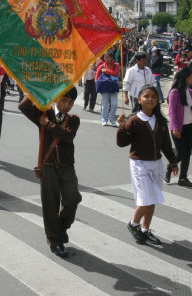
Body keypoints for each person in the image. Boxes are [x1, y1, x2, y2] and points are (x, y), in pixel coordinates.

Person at [19, 87, 82, 258]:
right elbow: (23, 106)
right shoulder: (44, 113)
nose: (66, 105)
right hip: (48, 166)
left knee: (73, 198)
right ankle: (55, 241)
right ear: (56, 99)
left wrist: (48, 125)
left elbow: (68, 136)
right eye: (63, 100)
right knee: (50, 204)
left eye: (70, 102)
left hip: (67, 166)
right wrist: (39, 90)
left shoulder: (73, 119)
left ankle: (61, 228)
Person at [117, 85, 178, 245]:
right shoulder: (134, 120)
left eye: (154, 97)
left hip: (156, 163)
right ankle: (133, 223)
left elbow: (166, 144)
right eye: (146, 96)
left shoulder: (160, 121)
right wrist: (122, 126)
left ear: (158, 100)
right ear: (139, 99)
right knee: (145, 198)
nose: (150, 99)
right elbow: (122, 143)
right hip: (139, 164)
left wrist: (173, 162)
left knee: (153, 198)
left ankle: (145, 229)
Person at [166, 67, 192, 187]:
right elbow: (172, 112)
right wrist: (175, 128)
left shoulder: (190, 91)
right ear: (186, 77)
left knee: (187, 154)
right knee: (181, 153)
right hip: (178, 128)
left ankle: (183, 178)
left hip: (190, 126)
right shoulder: (175, 92)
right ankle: (170, 167)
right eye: (191, 76)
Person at [96, 51, 120, 126]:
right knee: (105, 104)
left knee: (114, 103)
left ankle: (112, 119)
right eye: (105, 57)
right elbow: (97, 77)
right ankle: (104, 119)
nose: (106, 59)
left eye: (108, 57)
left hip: (113, 87)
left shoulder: (116, 65)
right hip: (104, 87)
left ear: (112, 58)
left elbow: (116, 73)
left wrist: (106, 71)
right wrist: (97, 86)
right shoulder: (101, 66)